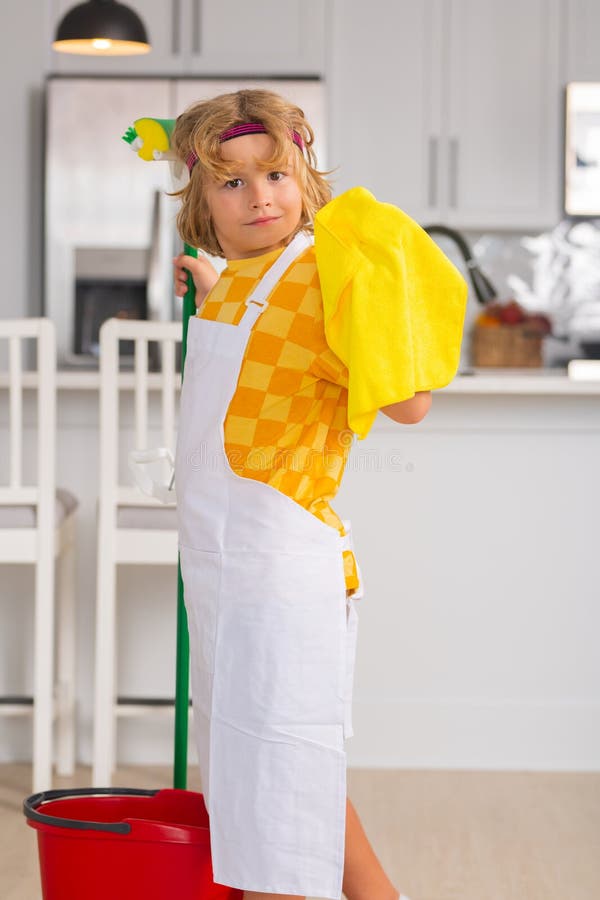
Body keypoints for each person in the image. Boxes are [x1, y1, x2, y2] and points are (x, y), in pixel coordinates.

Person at [171, 88, 467, 900]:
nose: (258, 197)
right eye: (230, 183)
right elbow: (249, 338)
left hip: (279, 571)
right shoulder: (233, 280)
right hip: (223, 569)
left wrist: (375, 324)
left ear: (303, 176)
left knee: (278, 787)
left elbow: (409, 405)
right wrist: (205, 280)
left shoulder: (325, 275)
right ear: (200, 201)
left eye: (273, 175)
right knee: (261, 768)